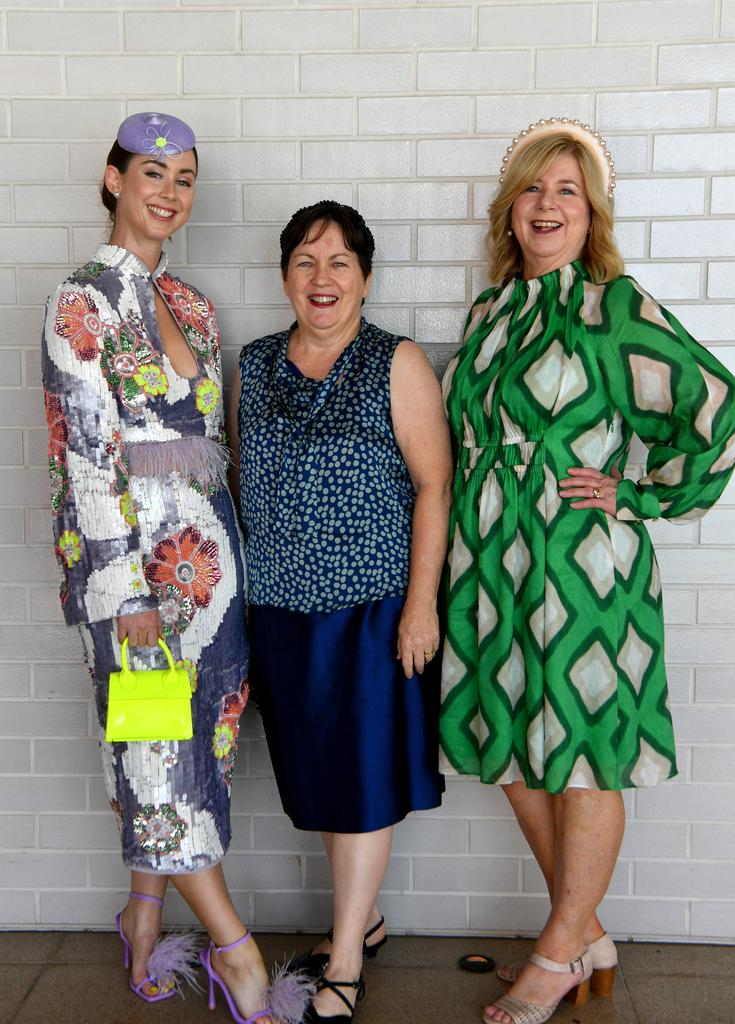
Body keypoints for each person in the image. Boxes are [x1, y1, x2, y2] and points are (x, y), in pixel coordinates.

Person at [439, 118, 735, 1024]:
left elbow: (715, 410)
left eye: (568, 191)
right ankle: (588, 932)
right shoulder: (488, 312)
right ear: (510, 207)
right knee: (511, 751)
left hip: (583, 565)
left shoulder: (618, 306)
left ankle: (559, 948)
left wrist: (635, 492)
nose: (548, 205)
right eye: (533, 188)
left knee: (583, 755)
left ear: (592, 211)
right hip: (488, 560)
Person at [42, 112, 309, 1024]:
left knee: (203, 746)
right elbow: (83, 455)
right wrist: (125, 596)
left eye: (185, 177)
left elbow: (215, 448)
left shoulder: (191, 303)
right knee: (157, 754)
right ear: (113, 179)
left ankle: (143, 913)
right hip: (137, 586)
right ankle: (238, 955)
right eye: (153, 172)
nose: (169, 191)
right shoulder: (80, 301)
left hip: (213, 571)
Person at [231, 200, 451, 1022]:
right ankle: (371, 919)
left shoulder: (395, 362)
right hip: (282, 609)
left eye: (339, 264)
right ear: (285, 275)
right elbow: (241, 483)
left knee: (361, 778)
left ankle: (348, 954)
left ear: (364, 277)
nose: (322, 280)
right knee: (320, 777)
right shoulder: (252, 365)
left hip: (372, 609)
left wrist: (420, 606)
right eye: (305, 263)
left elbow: (435, 484)